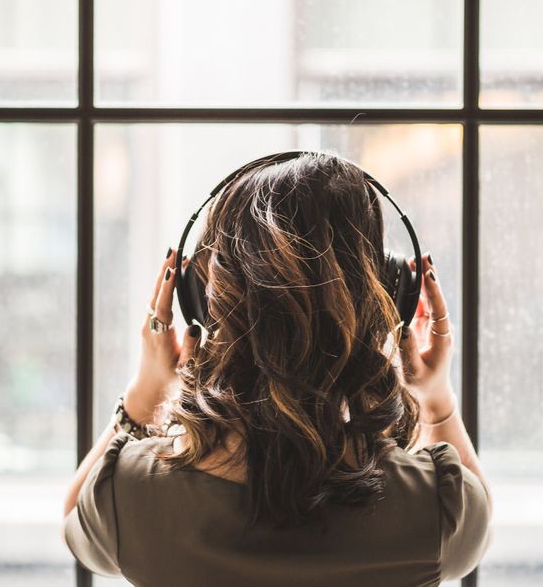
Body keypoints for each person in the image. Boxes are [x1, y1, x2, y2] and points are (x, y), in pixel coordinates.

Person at [61, 151, 493, 586]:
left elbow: (76, 521)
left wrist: (146, 392)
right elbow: (478, 531)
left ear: (198, 302)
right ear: (390, 297)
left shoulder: (131, 497)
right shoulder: (435, 509)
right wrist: (436, 400)